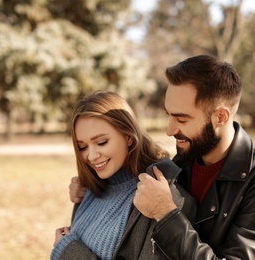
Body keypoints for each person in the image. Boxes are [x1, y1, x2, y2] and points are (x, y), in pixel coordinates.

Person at [69, 55, 255, 259]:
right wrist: (92, 185)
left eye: (182, 119)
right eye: (169, 116)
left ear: (220, 117)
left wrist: (166, 214)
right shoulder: (180, 163)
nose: (170, 130)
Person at [51, 90, 196, 259]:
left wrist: (67, 251)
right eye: (82, 147)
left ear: (128, 136)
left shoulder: (163, 195)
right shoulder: (91, 188)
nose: (91, 156)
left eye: (101, 142)